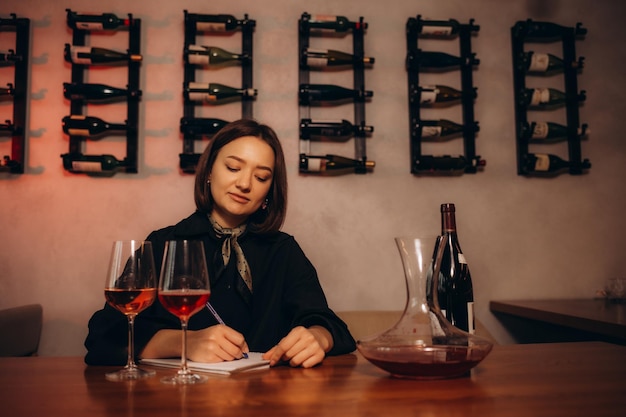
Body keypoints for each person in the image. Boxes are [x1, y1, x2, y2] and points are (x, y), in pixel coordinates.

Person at [85, 119, 356, 368]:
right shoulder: (162, 243)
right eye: (233, 168)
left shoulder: (283, 251)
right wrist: (185, 343)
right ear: (209, 171)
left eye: (261, 177)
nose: (245, 183)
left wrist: (318, 338)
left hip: (266, 401)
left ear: (268, 194)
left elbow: (333, 327)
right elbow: (102, 337)